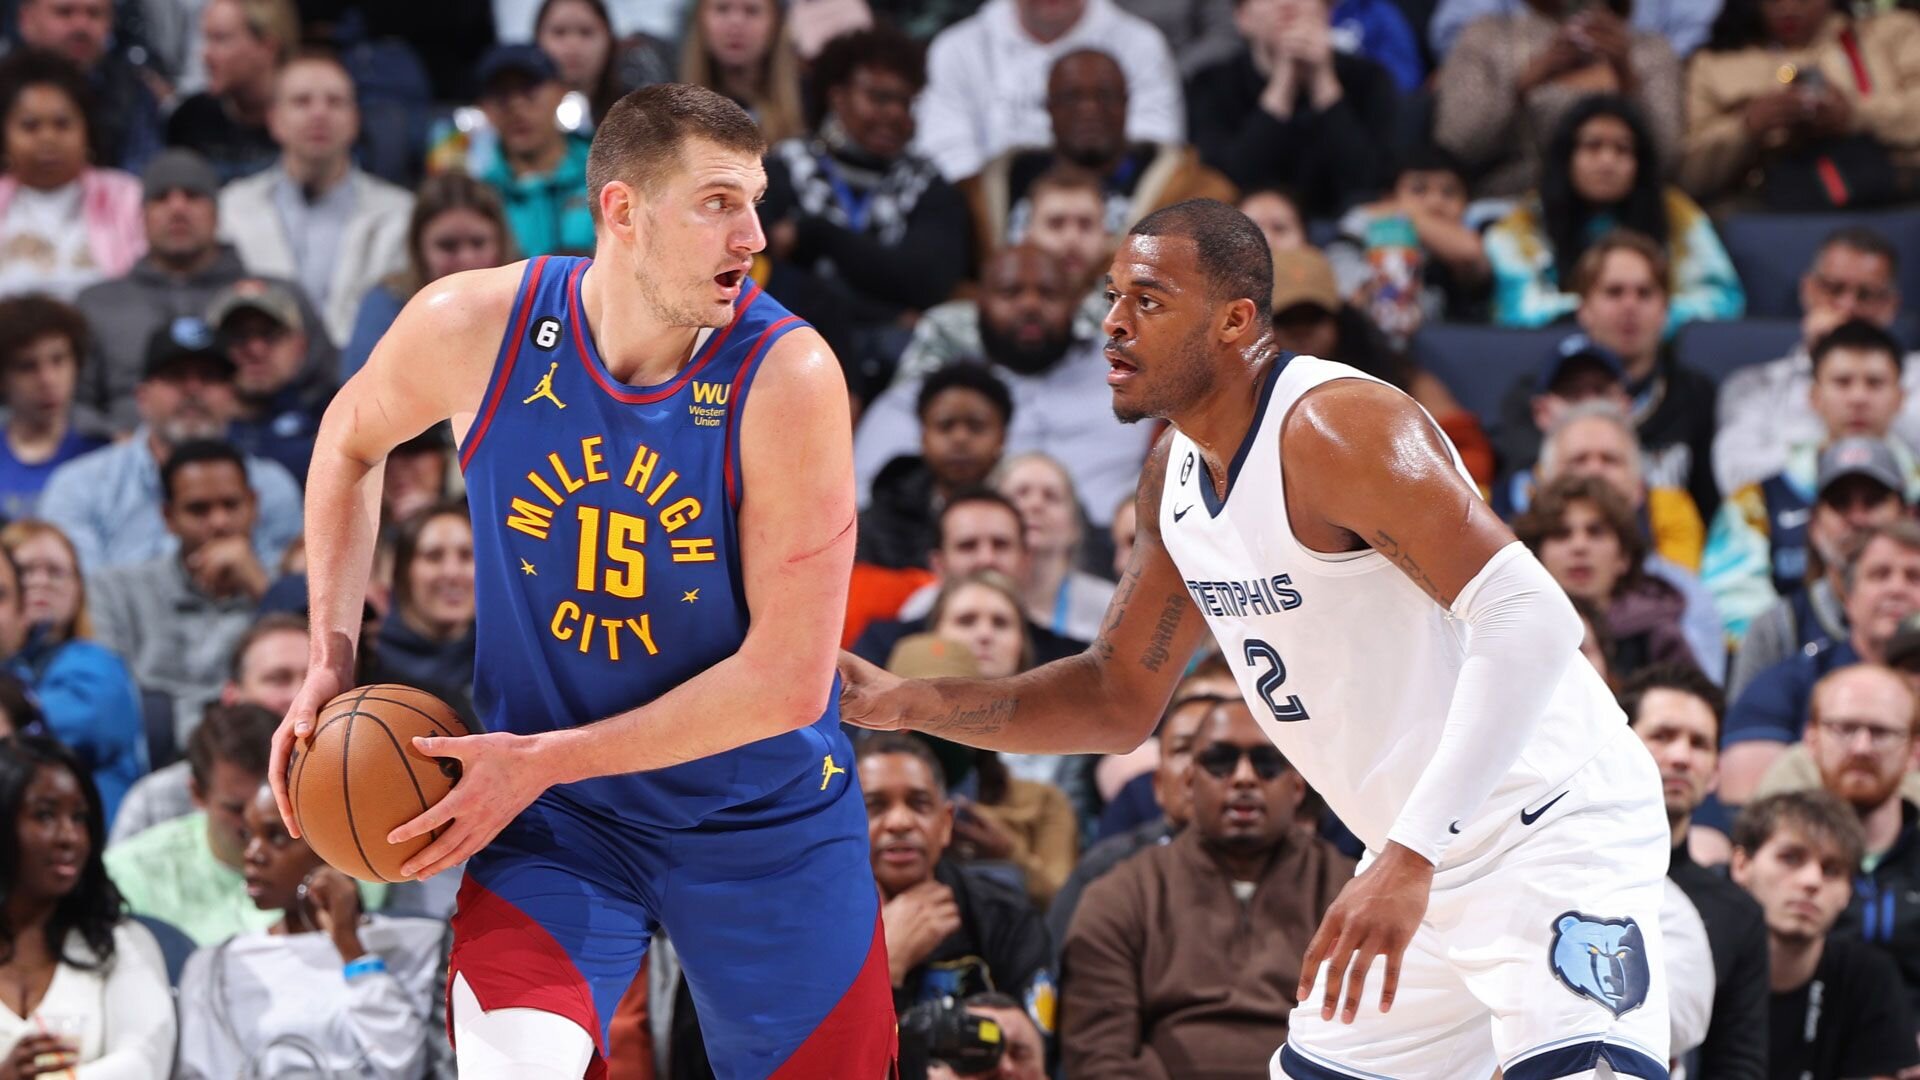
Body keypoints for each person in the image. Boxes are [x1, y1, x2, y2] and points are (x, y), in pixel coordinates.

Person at [841, 198, 1675, 1078]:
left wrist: (1411, 853)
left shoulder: (1335, 426)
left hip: (1546, 833)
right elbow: (1115, 698)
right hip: (1415, 857)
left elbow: (1535, 615)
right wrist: (907, 703)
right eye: (1113, 298)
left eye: (1149, 301)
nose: (1114, 326)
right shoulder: (1174, 474)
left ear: (1236, 320)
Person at [266, 84, 895, 1078]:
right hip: (562, 823)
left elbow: (786, 682)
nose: (755, 234)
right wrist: (328, 657)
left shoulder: (790, 379)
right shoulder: (476, 323)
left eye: (758, 202)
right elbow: (346, 443)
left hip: (759, 821)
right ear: (623, 210)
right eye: (720, 203)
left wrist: (544, 759)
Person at [1059, 698, 1354, 1076]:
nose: (1244, 777)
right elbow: (1099, 1056)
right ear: (1188, 782)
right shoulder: (1120, 895)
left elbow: (1375, 1043)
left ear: (1298, 785)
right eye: (1220, 761)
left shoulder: (1348, 892)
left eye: (1267, 762)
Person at [857, 244, 1155, 523]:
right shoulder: (937, 397)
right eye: (1010, 292)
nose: (1030, 305)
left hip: (1118, 557)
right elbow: (862, 499)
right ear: (979, 302)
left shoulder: (1133, 374)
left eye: (1048, 293)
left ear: (1075, 302)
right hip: (977, 554)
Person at [758, 25, 970, 401]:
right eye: (879, 97)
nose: (895, 114)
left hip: (898, 370)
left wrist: (816, 235)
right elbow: (767, 283)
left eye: (907, 103)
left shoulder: (928, 184)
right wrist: (884, 310)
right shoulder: (782, 170)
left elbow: (925, 282)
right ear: (837, 97)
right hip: (792, 353)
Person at [175, 784, 443, 1078]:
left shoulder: (417, 941)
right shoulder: (212, 966)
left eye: (276, 837)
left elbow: (404, 1065)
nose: (252, 854)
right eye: (248, 836)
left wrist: (351, 950)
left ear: (333, 846)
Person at [75, 148, 334, 433]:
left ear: (217, 212)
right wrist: (113, 441)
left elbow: (330, 390)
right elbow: (70, 404)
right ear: (142, 217)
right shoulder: (97, 304)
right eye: (161, 198)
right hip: (127, 460)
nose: (177, 208)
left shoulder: (276, 296)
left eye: (192, 195)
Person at [37, 318, 304, 574]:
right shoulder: (81, 485)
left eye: (209, 377)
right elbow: (80, 599)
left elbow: (294, 600)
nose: (193, 390)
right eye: (176, 376)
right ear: (142, 397)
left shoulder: (271, 486)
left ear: (232, 397)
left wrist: (255, 581)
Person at [1705, 321, 1916, 643]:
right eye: (1843, 383)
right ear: (1814, 397)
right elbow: (1731, 601)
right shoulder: (1758, 497)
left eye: (1874, 383)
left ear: (1900, 398)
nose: (1858, 397)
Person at [1494, 230, 1723, 524]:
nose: (1630, 306)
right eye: (1614, 292)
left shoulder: (1695, 394)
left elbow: (1711, 508)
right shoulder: (1537, 393)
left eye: (1645, 293)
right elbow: (1519, 498)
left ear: (1665, 310)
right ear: (1584, 309)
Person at [1619, 664, 1770, 1080]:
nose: (1681, 756)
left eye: (1699, 744)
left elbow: (1738, 1062)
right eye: (1663, 736)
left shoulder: (1737, 914)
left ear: (1716, 773)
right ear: (1619, 747)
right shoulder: (1562, 869)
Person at [1485, 96, 1745, 332]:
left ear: (1639, 163)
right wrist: (1609, 319)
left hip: (1659, 355)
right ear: (1567, 158)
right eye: (1593, 146)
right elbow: (1516, 310)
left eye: (1622, 149)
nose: (1607, 161)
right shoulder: (1525, 221)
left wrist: (1642, 321)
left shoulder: (1674, 211)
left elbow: (1723, 299)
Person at [855, 733, 1054, 1033]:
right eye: (875, 806)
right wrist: (887, 963)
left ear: (946, 823)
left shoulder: (1005, 916)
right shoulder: (816, 923)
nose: (899, 822)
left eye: (919, 803)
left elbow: (1030, 1054)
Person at [0, 735, 174, 1078]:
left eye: (80, 818)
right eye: (45, 815)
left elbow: (143, 1063)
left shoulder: (122, 943)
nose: (70, 837)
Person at [217, 51, 414, 345]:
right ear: (274, 119)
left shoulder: (403, 212)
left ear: (355, 120)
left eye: (334, 102)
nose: (319, 114)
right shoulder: (231, 207)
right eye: (302, 101)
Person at [964, 49, 1234, 259]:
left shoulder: (1189, 191)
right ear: (1049, 107)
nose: (1089, 109)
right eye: (1072, 97)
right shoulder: (997, 185)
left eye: (1104, 96)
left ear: (1126, 103)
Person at [1722, 520, 1920, 807]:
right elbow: (1743, 804)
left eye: (1914, 577)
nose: (1897, 589)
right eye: (1879, 575)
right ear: (1847, 597)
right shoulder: (1789, 682)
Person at [89, 440, 273, 743]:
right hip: (152, 759)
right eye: (198, 509)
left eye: (231, 504)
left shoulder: (284, 592)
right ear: (168, 517)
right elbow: (111, 702)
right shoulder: (117, 590)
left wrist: (260, 588)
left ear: (254, 505)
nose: (219, 522)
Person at [1715, 227, 1920, 498]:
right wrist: (1820, 361)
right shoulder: (1754, 385)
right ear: (1808, 289)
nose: (1847, 306)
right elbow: (1735, 481)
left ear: (1890, 305)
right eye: (1834, 289)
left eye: (1866, 295)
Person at [1729, 790, 1920, 1080]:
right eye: (1791, 858)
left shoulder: (1869, 977)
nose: (1812, 881)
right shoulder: (1704, 964)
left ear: (1848, 893)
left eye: (1832, 870)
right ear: (1742, 865)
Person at [923, 571, 1081, 908]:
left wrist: (1009, 853)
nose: (984, 634)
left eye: (1001, 623)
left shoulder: (1065, 756)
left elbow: (1066, 902)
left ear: (1023, 644)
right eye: (966, 621)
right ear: (932, 637)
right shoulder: (884, 751)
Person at [1680, 0, 1920, 211]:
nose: (1788, 7)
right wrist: (1748, 126)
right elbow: (1687, 175)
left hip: (1892, 194)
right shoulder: (1713, 64)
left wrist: (1855, 115)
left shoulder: (1889, 33)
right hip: (1765, 209)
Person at [1433, 0, 1682, 199]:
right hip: (1508, 207)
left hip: (1624, 215)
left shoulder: (1650, 51)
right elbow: (1459, 143)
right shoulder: (1488, 37)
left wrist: (1627, 81)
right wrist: (1524, 85)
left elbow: (1665, 160)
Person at [914, 0, 1184, 183]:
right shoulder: (956, 48)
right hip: (989, 226)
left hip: (1115, 217)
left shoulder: (1141, 43)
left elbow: (1154, 148)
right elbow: (946, 157)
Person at [1728, 441, 1909, 702]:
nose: (1857, 519)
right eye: (1840, 503)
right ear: (1814, 524)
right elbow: (1744, 730)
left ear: (1906, 515)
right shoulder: (1777, 627)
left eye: (1873, 501)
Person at [1186, 0, 1399, 220]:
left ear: (1329, 10)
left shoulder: (1370, 79)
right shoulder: (1211, 84)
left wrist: (1323, 83)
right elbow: (1225, 183)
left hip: (1347, 232)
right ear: (1242, 18)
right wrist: (1281, 87)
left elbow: (1372, 183)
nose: (1287, 4)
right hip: (1244, 228)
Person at [109, 612, 306, 845]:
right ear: (232, 696)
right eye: (278, 679)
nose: (300, 696)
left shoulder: (351, 786)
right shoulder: (156, 800)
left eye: (312, 680)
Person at [1796, 664, 1920, 1021]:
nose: (1862, 747)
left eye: (1881, 732)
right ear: (1812, 739)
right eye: (1845, 728)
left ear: (1914, 751)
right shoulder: (1770, 863)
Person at [0, 527, 144, 828]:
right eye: (25, 571)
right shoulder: (13, 667)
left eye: (55, 572)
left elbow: (87, 726)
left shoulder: (97, 663)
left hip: (93, 836)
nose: (40, 582)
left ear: (79, 589)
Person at [853, 489, 1090, 666]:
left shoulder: (1070, 660)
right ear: (938, 565)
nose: (986, 559)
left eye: (1001, 545)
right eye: (968, 546)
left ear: (1025, 560)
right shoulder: (883, 647)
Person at [1515, 474, 1699, 681]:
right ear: (1536, 555)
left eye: (1596, 532)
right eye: (1561, 534)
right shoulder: (1508, 628)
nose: (1579, 546)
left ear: (1624, 557)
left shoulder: (1661, 637)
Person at [0, 49, 145, 301]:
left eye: (62, 124)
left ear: (87, 129)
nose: (48, 139)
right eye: (30, 126)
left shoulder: (128, 196)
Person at [342, 174, 516, 383]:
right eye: (447, 245)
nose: (467, 259)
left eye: (478, 243)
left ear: (501, 243)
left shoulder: (534, 301)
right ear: (418, 250)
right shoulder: (387, 305)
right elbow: (362, 396)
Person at [858, 362, 1013, 571]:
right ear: (923, 437)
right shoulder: (882, 520)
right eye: (945, 425)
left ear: (1002, 438)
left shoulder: (1027, 508)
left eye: (976, 426)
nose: (960, 439)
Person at [1326, 145, 1494, 337]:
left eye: (1448, 192)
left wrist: (1408, 212)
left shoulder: (1480, 235)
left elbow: (1470, 254)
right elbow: (1347, 298)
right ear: (1389, 198)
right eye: (1419, 189)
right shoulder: (1359, 228)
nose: (1435, 201)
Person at [472, 45, 596, 259]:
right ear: (485, 108)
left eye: (529, 90)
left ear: (560, 92)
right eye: (501, 95)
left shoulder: (605, 172)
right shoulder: (478, 197)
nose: (516, 106)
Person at [10, 0, 162, 175]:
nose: (81, 26)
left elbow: (142, 175)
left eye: (94, 13)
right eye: (64, 12)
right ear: (26, 19)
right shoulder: (4, 89)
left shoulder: (133, 93)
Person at [209, 278, 336, 483]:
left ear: (300, 346)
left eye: (271, 335)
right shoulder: (192, 425)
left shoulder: (334, 418)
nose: (256, 350)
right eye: (238, 336)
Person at [164, 0, 299, 182]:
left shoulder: (308, 119)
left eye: (220, 39)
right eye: (206, 38)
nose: (205, 54)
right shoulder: (189, 118)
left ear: (268, 47)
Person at [0, 296, 106, 520]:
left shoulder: (103, 452)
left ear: (77, 365)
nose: (47, 380)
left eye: (58, 360)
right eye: (27, 366)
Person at [369, 500, 476, 717]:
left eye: (467, 555)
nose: (452, 572)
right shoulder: (369, 662)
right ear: (401, 573)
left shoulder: (507, 662)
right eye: (433, 556)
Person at [996, 451, 1115, 642]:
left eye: (1051, 496)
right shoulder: (955, 602)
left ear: (1075, 527)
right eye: (1021, 493)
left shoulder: (1112, 608)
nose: (1035, 504)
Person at [677, 0, 805, 144]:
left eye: (752, 10)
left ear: (776, 23)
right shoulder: (669, 111)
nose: (735, 22)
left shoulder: (811, 104)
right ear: (699, 20)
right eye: (722, 9)